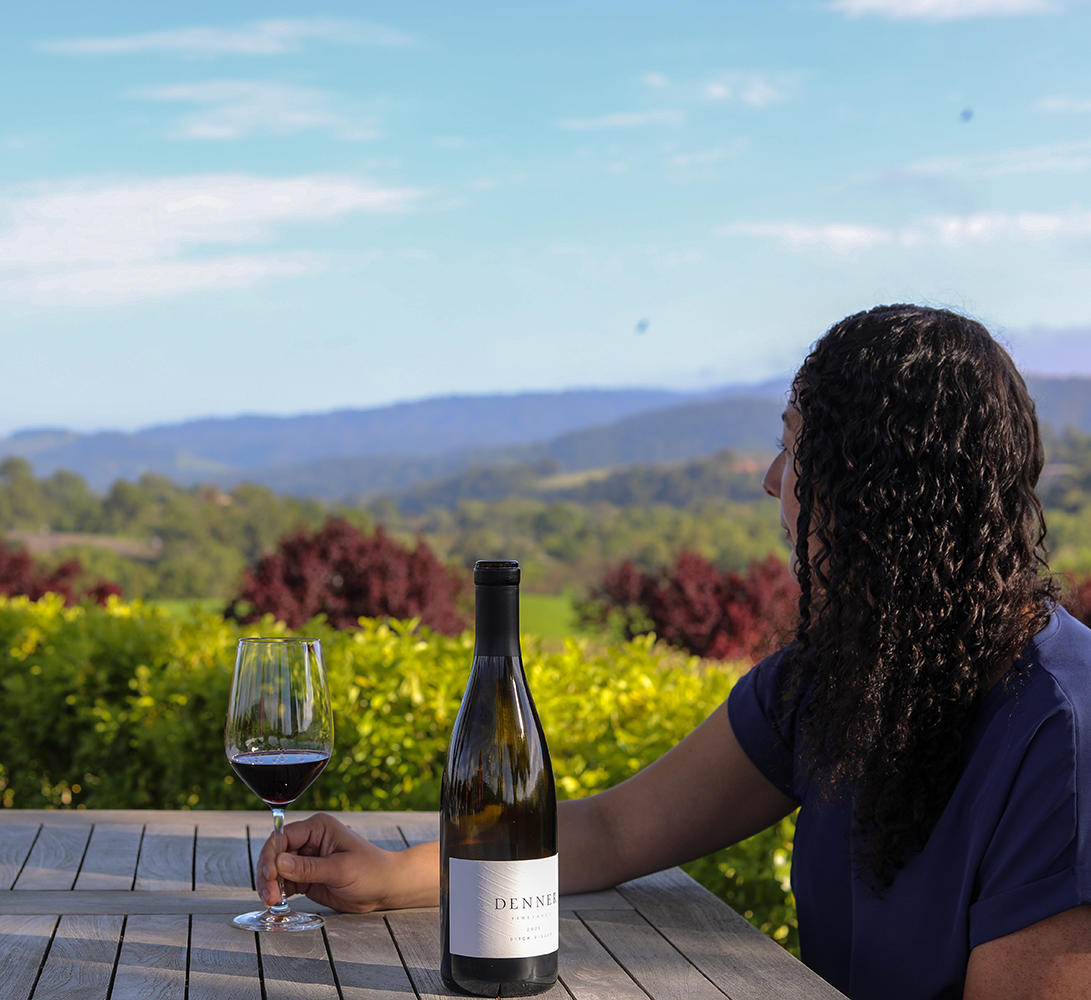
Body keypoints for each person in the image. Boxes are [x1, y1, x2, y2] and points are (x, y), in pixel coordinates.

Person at [256, 304, 1091, 1000]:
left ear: (880, 488)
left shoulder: (1062, 737)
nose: (772, 477)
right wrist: (388, 875)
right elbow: (617, 831)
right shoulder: (840, 678)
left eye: (796, 446)